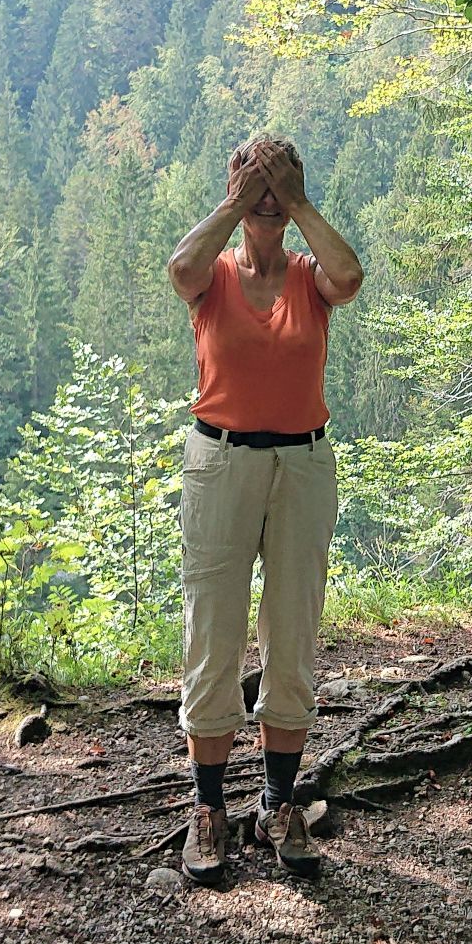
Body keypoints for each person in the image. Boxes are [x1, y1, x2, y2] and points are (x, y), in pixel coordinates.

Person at [164, 135, 364, 880]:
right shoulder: (211, 277)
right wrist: (237, 201)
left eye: (282, 178)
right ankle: (207, 807)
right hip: (219, 461)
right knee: (211, 627)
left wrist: (299, 202)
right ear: (235, 186)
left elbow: (352, 275)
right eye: (257, 178)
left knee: (293, 627)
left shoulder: (312, 278)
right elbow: (178, 268)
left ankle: (278, 802)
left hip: (304, 462)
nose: (269, 191)